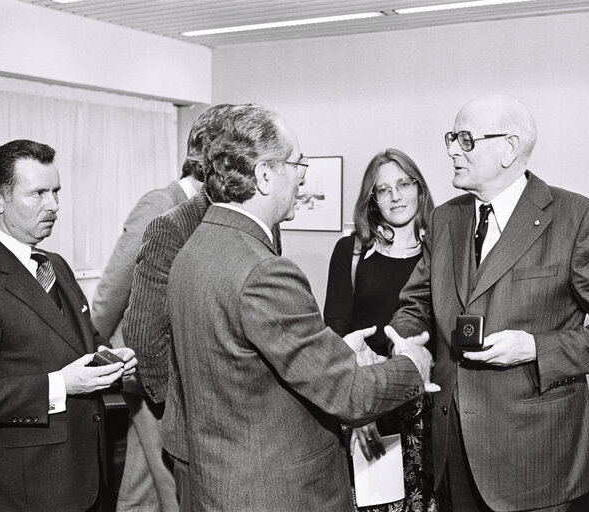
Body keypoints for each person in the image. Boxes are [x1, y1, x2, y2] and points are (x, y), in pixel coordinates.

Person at [167, 104, 436, 511]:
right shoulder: (264, 271)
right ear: (263, 176)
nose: (303, 176)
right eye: (297, 164)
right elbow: (348, 393)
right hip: (278, 491)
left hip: (223, 484)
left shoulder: (194, 250)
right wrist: (413, 364)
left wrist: (340, 353)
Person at [388, 94, 589, 512]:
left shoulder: (577, 218)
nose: (452, 149)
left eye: (465, 139)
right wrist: (402, 342)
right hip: (451, 444)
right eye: (451, 138)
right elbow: (415, 306)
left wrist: (535, 347)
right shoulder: (444, 219)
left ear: (508, 148)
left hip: (535, 458)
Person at [0, 139, 136, 511]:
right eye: (38, 194)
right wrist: (60, 385)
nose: (54, 206)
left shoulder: (55, 264)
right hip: (22, 489)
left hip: (83, 478)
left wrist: (110, 359)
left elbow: (81, 345)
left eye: (56, 192)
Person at [89, 107, 225, 511]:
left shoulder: (205, 211)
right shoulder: (160, 203)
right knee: (170, 487)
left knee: (142, 483)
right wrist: (95, 351)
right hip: (148, 370)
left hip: (170, 369)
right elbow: (113, 289)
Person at [324, 148, 438, 512]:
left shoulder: (444, 252)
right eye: (383, 189)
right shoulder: (352, 251)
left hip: (427, 403)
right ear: (372, 199)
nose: (395, 196)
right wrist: (359, 409)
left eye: (404, 184)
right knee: (375, 503)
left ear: (419, 188)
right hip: (368, 400)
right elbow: (336, 329)